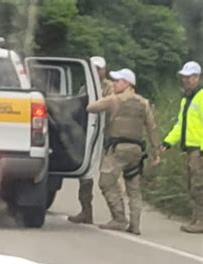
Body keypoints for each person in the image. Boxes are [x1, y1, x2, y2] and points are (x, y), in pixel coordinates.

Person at [87, 68, 160, 235]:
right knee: (133, 188)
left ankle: (119, 219)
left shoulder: (114, 100)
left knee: (106, 183)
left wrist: (108, 96)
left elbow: (91, 107)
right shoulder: (144, 103)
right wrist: (156, 152)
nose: (114, 83)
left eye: (117, 81)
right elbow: (152, 128)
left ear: (127, 83)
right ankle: (135, 225)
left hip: (117, 149)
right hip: (136, 151)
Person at [68, 56, 113, 224]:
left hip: (106, 134)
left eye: (99, 68)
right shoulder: (85, 87)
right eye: (93, 68)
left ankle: (119, 216)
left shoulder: (110, 88)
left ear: (104, 70)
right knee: (85, 173)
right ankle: (86, 211)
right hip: (89, 133)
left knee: (109, 176)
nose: (96, 71)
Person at [161, 61, 203, 234]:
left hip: (199, 150)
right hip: (190, 149)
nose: (185, 80)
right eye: (184, 77)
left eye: (189, 77)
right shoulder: (186, 99)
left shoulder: (201, 96)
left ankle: (200, 220)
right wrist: (168, 142)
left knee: (199, 185)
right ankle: (196, 217)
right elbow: (181, 125)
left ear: (197, 77)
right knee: (191, 184)